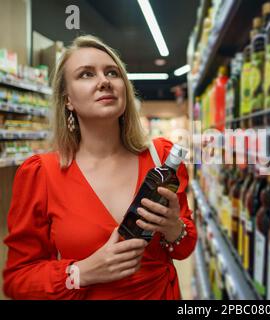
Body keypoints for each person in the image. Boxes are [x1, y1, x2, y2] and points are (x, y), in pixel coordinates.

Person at [2, 35, 197, 300]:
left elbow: (184, 248)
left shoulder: (161, 158)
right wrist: (82, 272)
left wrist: (173, 226)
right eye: (86, 74)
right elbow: (18, 280)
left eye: (112, 72)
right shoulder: (41, 173)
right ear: (67, 99)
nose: (104, 81)